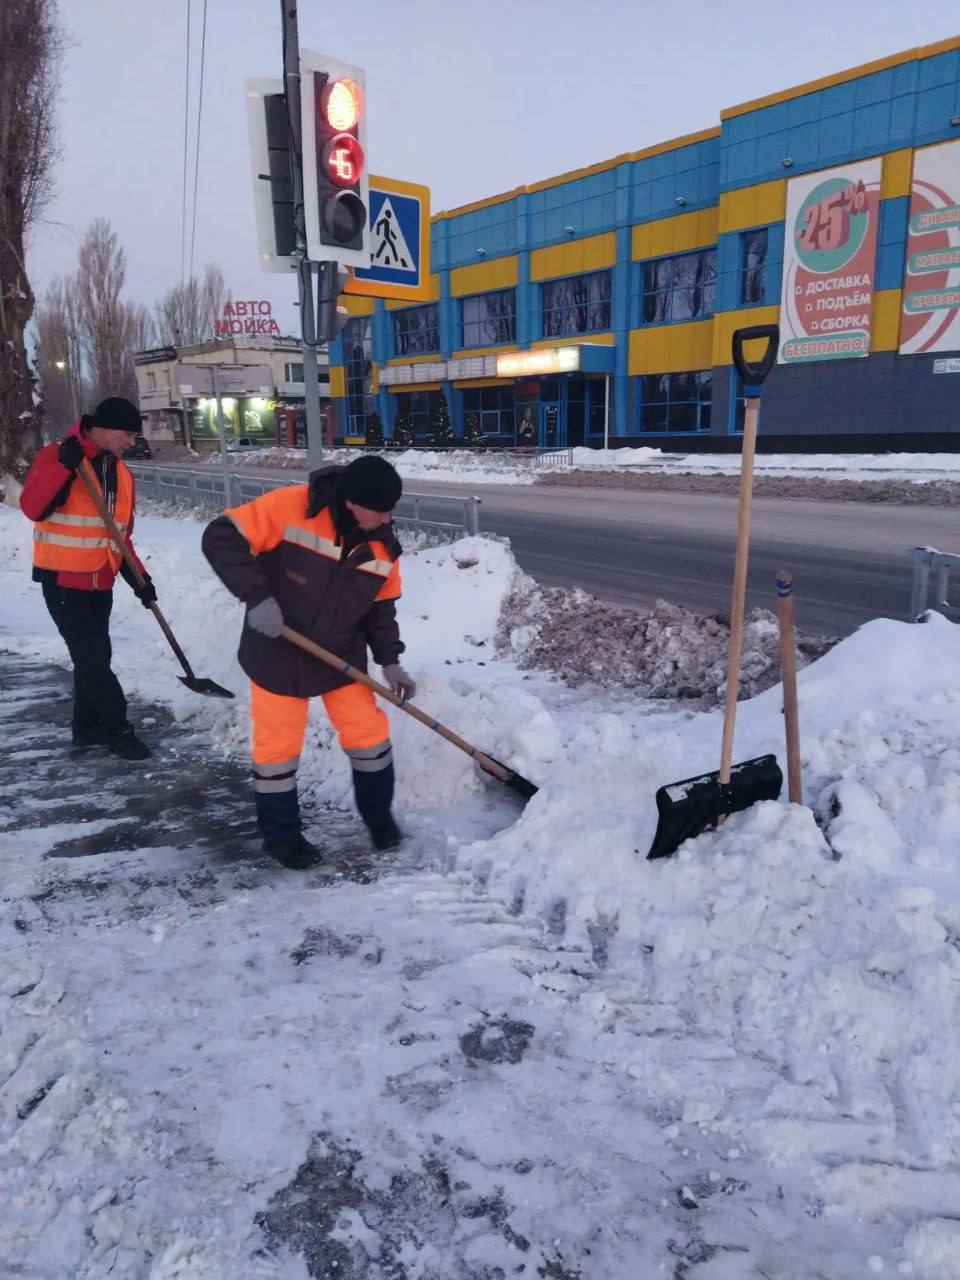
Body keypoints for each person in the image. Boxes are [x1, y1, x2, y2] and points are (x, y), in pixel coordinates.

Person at [201, 456, 416, 870]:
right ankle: (282, 837)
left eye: (392, 509)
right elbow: (220, 537)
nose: (388, 517)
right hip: (276, 651)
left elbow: (380, 609)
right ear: (353, 501)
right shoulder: (290, 507)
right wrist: (256, 596)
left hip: (339, 657)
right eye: (380, 509)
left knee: (369, 736)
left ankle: (378, 817)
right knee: (277, 749)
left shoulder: (382, 545)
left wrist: (390, 662)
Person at [19, 398, 157, 760]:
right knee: (94, 658)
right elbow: (33, 507)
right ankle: (117, 730)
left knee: (94, 656)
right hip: (64, 580)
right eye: (128, 434)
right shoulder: (60, 456)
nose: (132, 442)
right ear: (105, 428)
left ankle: (86, 728)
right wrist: (62, 470)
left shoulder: (121, 472)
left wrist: (140, 580)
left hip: (101, 581)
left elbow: (119, 535)